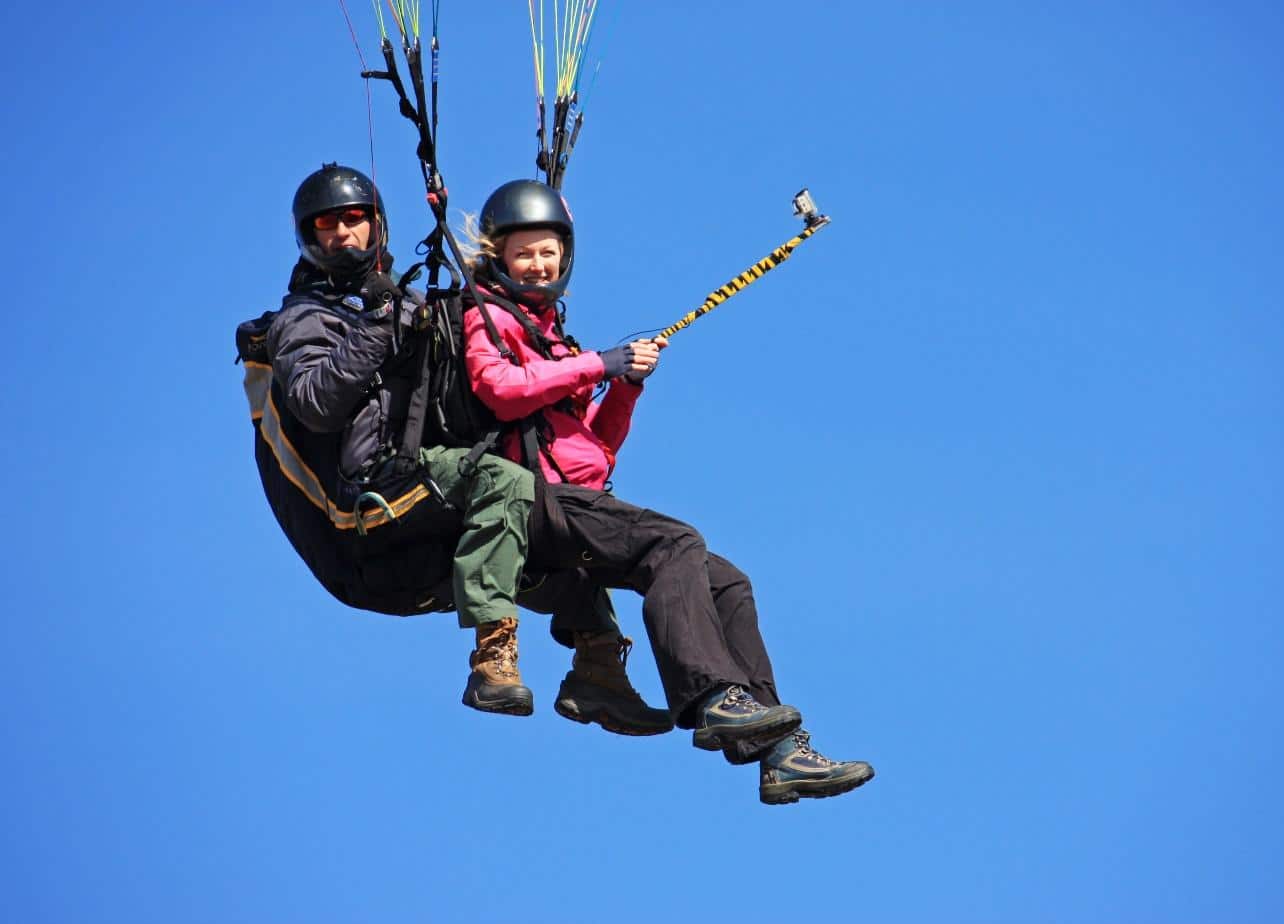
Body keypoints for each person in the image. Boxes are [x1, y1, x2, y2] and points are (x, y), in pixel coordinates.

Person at [456, 179, 875, 804]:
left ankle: (778, 751)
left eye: (548, 252)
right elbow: (500, 390)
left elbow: (595, 455)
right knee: (674, 541)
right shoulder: (486, 316)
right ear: (499, 258)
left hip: (579, 500)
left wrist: (625, 387)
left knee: (726, 579)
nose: (538, 265)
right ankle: (710, 695)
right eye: (524, 254)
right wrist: (601, 364)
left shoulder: (555, 339)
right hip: (531, 501)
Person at [244, 163, 668, 735]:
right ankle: (492, 659)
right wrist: (377, 325)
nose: (343, 234)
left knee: (558, 518)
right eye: (327, 225)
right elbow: (316, 403)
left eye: (354, 220)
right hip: (368, 499)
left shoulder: (400, 301)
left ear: (378, 225)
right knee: (504, 482)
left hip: (416, 483)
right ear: (308, 236)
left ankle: (598, 670)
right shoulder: (304, 318)